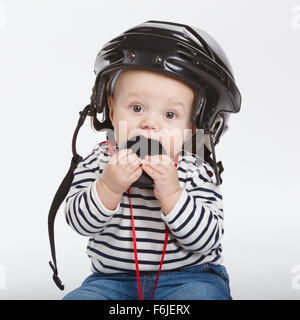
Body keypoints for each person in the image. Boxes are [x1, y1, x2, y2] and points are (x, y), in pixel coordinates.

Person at [49, 20, 241, 300]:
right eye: (136, 108)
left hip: (189, 277)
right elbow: (79, 222)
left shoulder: (195, 166)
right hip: (111, 281)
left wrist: (174, 194)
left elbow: (209, 238)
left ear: (194, 127)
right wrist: (108, 188)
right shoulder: (99, 161)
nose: (150, 123)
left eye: (170, 115)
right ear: (111, 110)